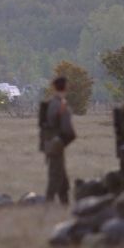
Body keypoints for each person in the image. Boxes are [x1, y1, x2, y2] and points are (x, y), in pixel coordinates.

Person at [40, 76, 76, 204]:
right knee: (56, 177)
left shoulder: (50, 104)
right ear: (66, 87)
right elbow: (68, 130)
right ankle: (48, 204)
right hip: (57, 145)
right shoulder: (61, 104)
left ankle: (64, 204)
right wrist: (64, 141)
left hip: (51, 144)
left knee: (62, 178)